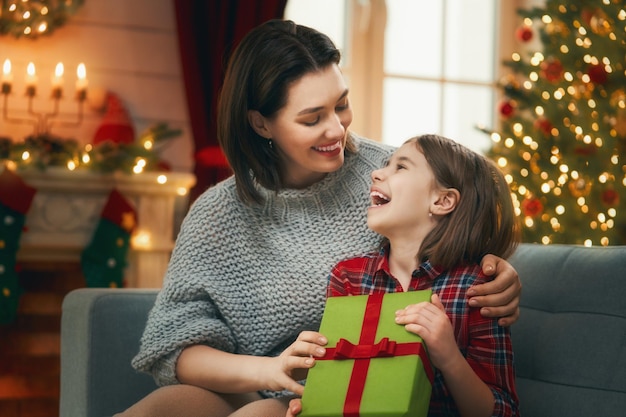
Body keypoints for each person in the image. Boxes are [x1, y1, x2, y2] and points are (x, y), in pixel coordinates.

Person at [115, 20, 522, 417]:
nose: (336, 130)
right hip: (260, 388)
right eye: (312, 119)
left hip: (353, 395)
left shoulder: (390, 172)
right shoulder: (218, 214)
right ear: (261, 123)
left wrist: (498, 268)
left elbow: (459, 228)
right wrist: (270, 369)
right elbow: (173, 345)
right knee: (167, 408)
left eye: (341, 105)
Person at [286, 134, 520, 417]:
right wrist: (312, 404)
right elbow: (340, 388)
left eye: (401, 167)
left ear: (443, 201)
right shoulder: (348, 277)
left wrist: (448, 357)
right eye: (387, 164)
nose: (376, 173)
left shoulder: (476, 289)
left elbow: (503, 411)